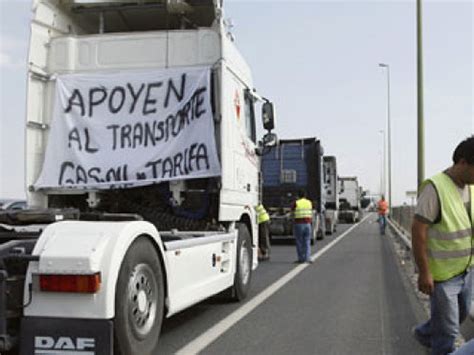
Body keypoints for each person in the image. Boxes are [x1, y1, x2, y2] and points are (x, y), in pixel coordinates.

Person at [412, 136, 474, 355]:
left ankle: (424, 333)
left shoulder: (470, 188)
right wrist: (424, 273)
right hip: (443, 276)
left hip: (466, 270)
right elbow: (418, 232)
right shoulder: (435, 188)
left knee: (461, 314)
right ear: (463, 162)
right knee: (448, 333)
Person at [291, 190, 313, 264]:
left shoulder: (296, 203)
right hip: (308, 224)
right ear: (305, 195)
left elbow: (292, 213)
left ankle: (301, 258)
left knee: (299, 242)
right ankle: (307, 258)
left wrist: (292, 221)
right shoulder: (309, 202)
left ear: (298, 195)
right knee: (307, 241)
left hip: (299, 224)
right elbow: (311, 212)